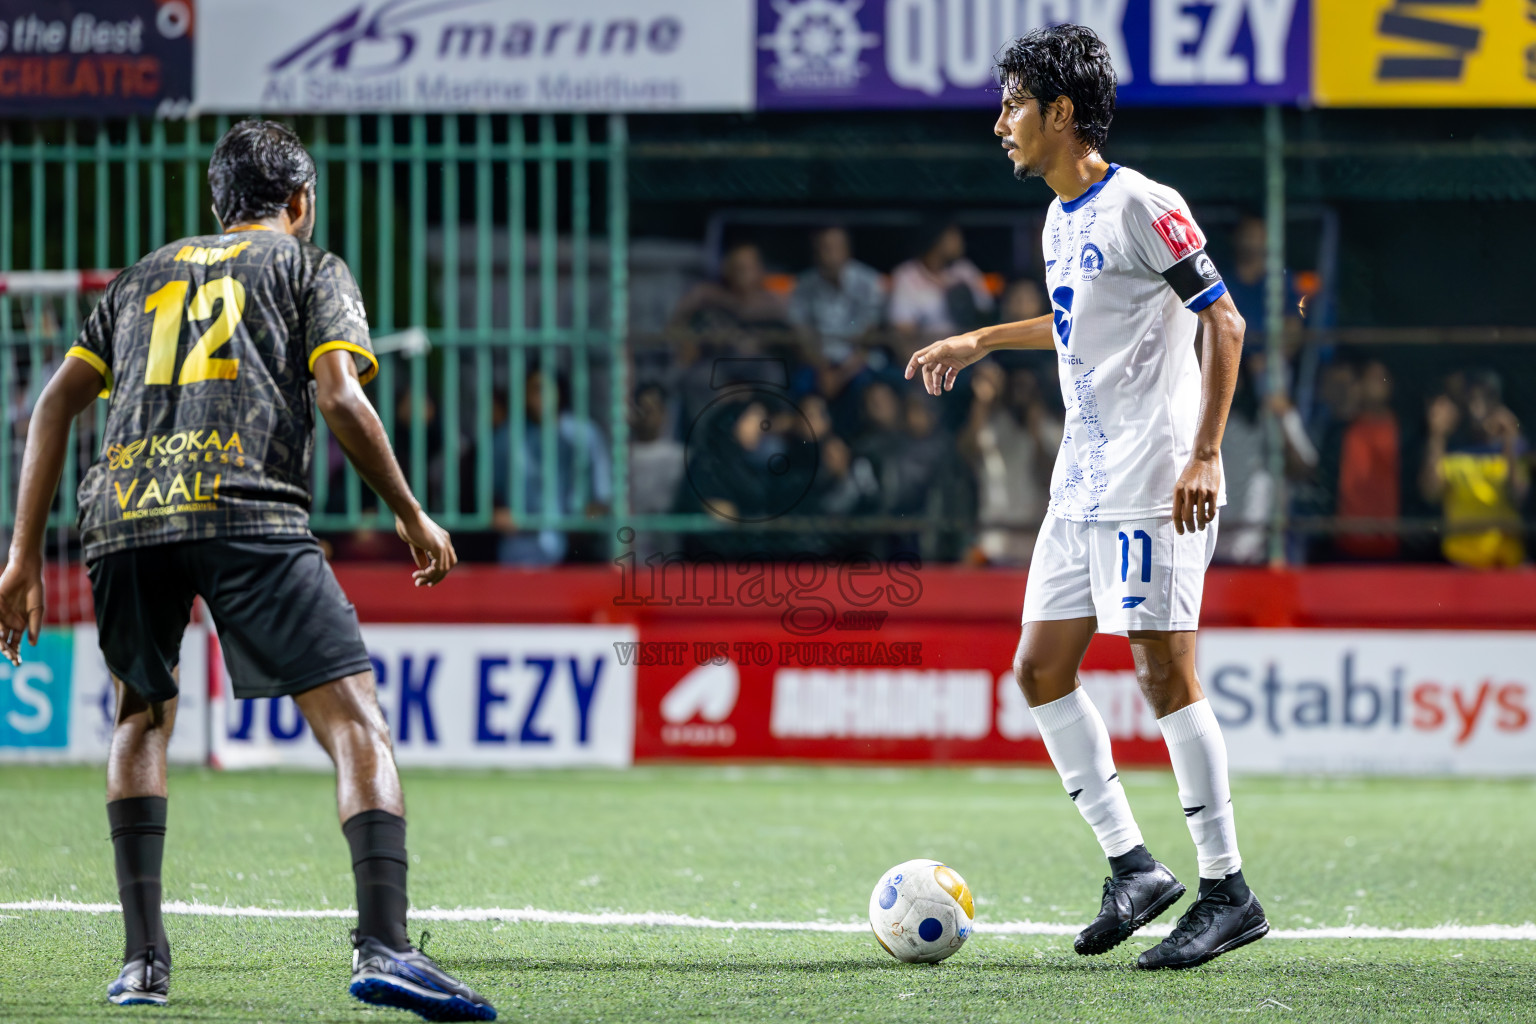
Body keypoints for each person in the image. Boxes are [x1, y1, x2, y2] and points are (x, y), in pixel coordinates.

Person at [0, 121, 496, 1020]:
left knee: (141, 715)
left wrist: (21, 555)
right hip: (246, 508)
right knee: (355, 724)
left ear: (216, 206)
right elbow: (341, 396)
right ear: (300, 202)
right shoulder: (311, 268)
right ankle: (383, 943)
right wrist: (410, 511)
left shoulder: (142, 273)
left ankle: (142, 962)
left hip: (123, 517)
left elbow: (52, 405)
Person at [906, 26, 1265, 969]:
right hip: (1081, 482)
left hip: (1156, 483)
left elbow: (1224, 320)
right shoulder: (1059, 218)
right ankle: (1134, 870)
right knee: (1037, 669)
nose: (1000, 125)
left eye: (1014, 105)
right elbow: (1077, 321)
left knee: (1162, 673)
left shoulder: (1144, 203)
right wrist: (981, 339)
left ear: (1061, 112)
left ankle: (1228, 888)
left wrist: (1207, 455)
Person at [492, 367, 612, 566]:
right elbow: (492, 489)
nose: (540, 397)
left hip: (577, 549)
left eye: (545, 389)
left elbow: (603, 495)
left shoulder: (585, 434)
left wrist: (584, 523)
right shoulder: (509, 437)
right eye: (534, 390)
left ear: (559, 391)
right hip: (521, 548)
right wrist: (500, 512)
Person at [1421, 371, 1528, 568]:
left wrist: (1509, 443)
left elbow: (1518, 495)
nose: (1478, 408)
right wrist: (1437, 435)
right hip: (1462, 561)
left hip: (1504, 561)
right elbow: (1431, 492)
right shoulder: (1450, 447)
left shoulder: (1514, 445)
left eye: (1487, 398)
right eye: (1472, 399)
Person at [959, 362, 1061, 565]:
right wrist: (983, 400)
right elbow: (969, 449)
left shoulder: (1045, 426)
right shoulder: (995, 424)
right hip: (994, 531)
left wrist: (1037, 436)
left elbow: (1058, 467)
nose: (1020, 393)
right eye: (1016, 386)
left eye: (1027, 387)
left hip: (1033, 530)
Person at [788, 225, 885, 370]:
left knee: (878, 390)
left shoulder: (868, 282)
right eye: (824, 248)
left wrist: (845, 372)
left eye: (835, 248)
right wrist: (821, 367)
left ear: (846, 250)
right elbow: (800, 332)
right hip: (817, 364)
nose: (828, 255)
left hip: (860, 363)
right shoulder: (804, 286)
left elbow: (871, 333)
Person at [888, 221, 994, 341]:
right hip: (926, 350)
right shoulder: (906, 275)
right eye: (953, 236)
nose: (959, 241)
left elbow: (986, 314)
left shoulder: (965, 270)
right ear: (935, 238)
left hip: (967, 349)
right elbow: (903, 329)